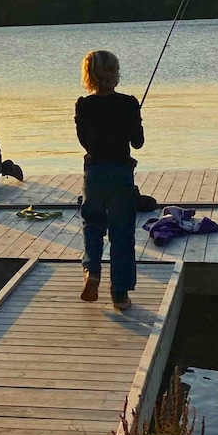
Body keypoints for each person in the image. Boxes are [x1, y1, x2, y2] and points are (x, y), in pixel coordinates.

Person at [74, 49, 143, 311]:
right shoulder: (128, 103)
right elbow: (137, 143)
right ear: (115, 73)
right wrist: (135, 120)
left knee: (92, 224)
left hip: (94, 172)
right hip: (120, 173)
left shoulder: (83, 104)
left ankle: (92, 270)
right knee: (121, 231)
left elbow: (84, 142)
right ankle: (120, 294)